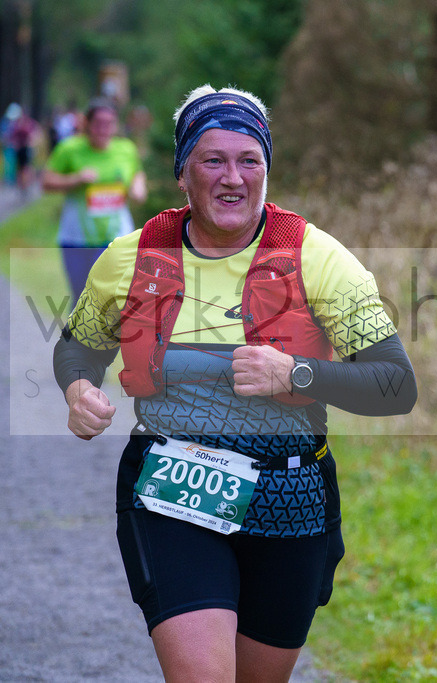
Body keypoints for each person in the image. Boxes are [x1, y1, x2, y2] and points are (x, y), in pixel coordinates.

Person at [52, 84, 417, 682]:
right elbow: (79, 346)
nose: (233, 177)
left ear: (267, 170)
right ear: (182, 173)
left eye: (250, 160)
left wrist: (295, 373)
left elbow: (396, 385)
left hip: (290, 499)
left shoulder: (317, 258)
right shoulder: (129, 257)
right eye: (212, 160)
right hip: (172, 490)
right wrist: (77, 389)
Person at [42, 98, 147, 303]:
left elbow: (137, 174)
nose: (103, 129)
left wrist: (138, 188)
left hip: (117, 237)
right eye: (98, 123)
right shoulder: (69, 149)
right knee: (81, 298)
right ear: (87, 124)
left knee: (110, 297)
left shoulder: (126, 149)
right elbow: (46, 181)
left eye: (109, 123)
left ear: (116, 125)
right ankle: (77, 324)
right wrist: (76, 179)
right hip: (77, 238)